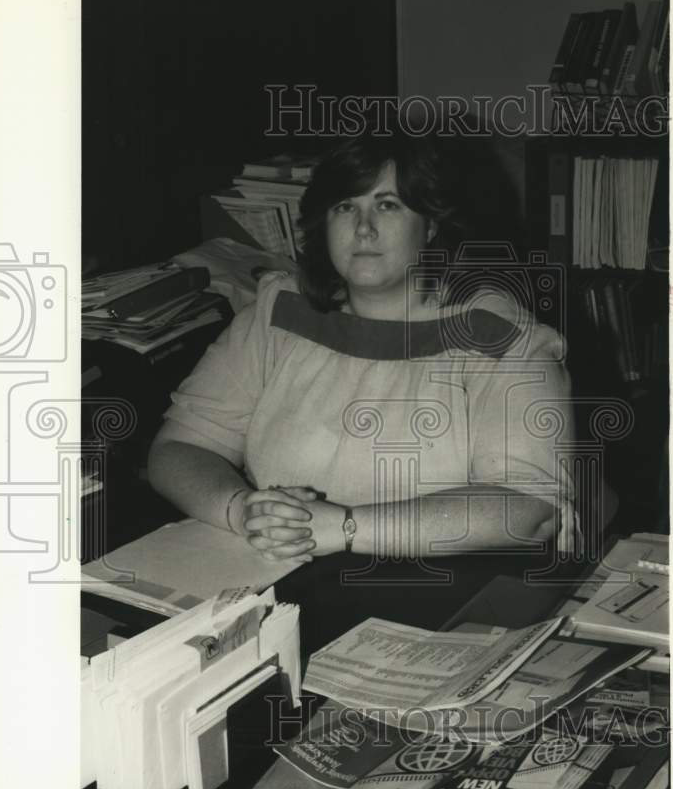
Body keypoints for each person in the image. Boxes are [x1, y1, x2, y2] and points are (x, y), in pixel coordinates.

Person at [148, 132, 578, 591]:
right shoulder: (278, 312)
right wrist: (240, 509)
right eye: (345, 206)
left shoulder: (501, 336)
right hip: (279, 572)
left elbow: (532, 508)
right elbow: (179, 448)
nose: (363, 228)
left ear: (431, 223)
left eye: (388, 204)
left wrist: (344, 527)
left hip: (443, 588)